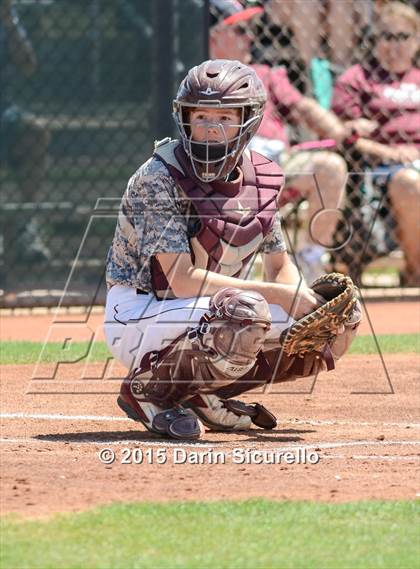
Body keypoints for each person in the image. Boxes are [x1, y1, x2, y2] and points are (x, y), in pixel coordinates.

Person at [104, 59, 361, 441]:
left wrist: (299, 297)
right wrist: (278, 295)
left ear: (249, 121)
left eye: (224, 117)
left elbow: (279, 265)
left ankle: (201, 394)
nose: (209, 128)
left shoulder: (261, 176)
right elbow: (180, 279)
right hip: (140, 313)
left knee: (342, 317)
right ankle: (149, 393)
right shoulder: (159, 175)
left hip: (210, 312)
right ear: (184, 118)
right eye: (200, 116)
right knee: (246, 314)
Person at [209, 1, 351, 284]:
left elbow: (302, 107)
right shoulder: (198, 78)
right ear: (213, 36)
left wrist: (339, 130)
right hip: (225, 169)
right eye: (239, 31)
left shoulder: (265, 73)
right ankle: (237, 274)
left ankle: (311, 265)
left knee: (331, 168)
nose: (249, 37)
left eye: (250, 30)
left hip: (277, 165)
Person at [332, 1, 420, 286]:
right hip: (380, 170)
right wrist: (390, 152)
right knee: (409, 182)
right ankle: (415, 273)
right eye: (386, 36)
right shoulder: (358, 78)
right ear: (375, 41)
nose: (393, 45)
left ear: (416, 41)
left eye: (402, 36)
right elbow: (345, 133)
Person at [0, 0, 50, 266]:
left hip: (2, 112)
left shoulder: (7, 16)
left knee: (35, 133)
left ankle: (26, 228)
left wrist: (9, 21)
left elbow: (28, 65)